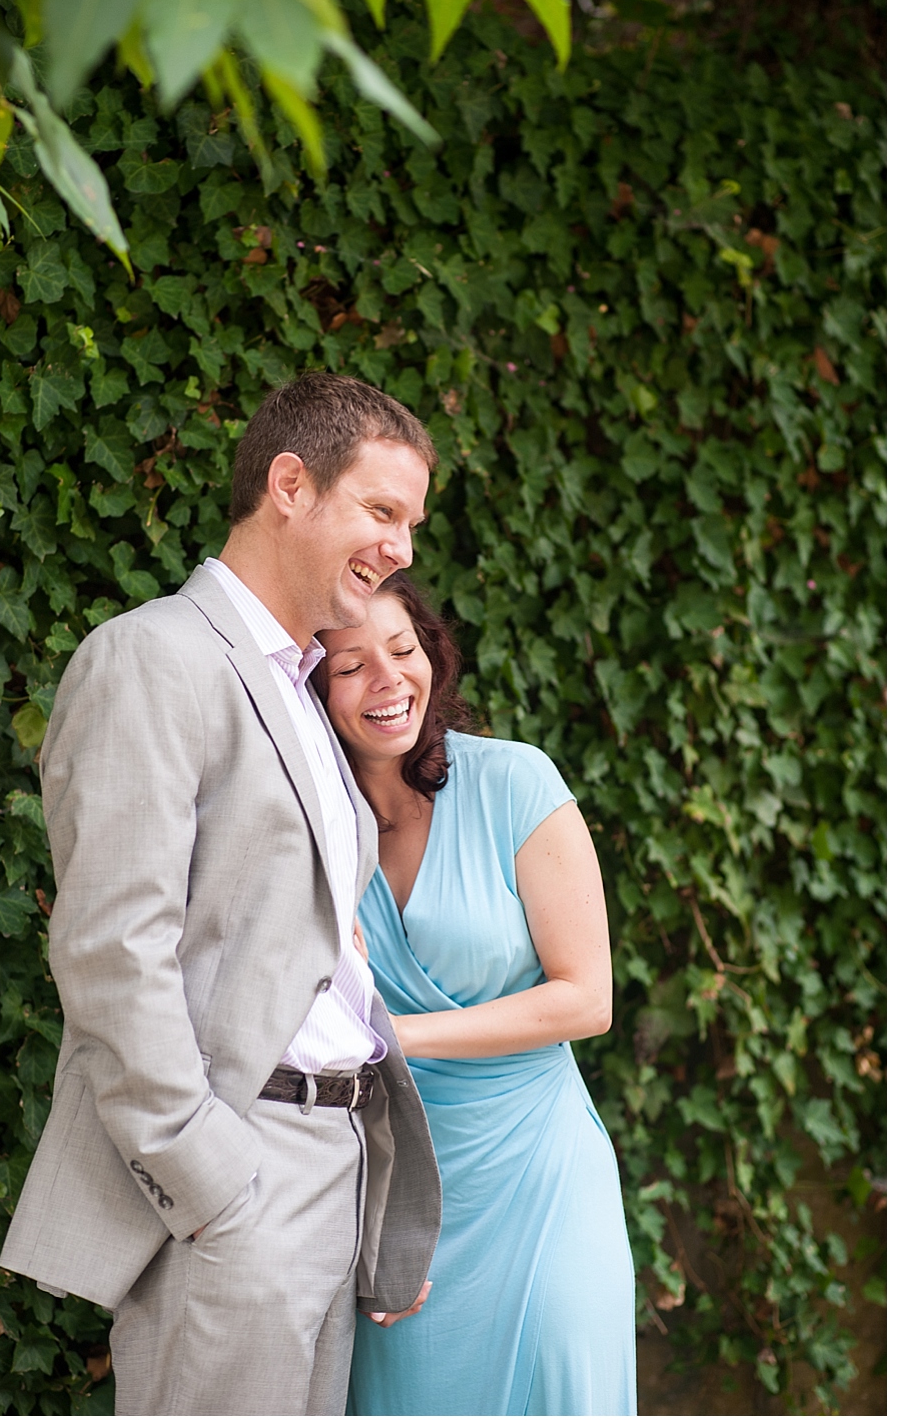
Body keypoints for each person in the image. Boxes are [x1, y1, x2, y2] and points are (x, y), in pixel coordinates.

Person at [0, 375, 442, 1416]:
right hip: (238, 1176)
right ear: (290, 484)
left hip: (331, 1169)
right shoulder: (152, 658)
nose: (402, 550)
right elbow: (112, 951)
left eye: (412, 524)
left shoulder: (297, 688)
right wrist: (209, 1181)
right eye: (381, 511)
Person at [314, 571, 637, 1416]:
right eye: (350, 666)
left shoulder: (515, 782)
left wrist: (396, 1035)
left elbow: (586, 999)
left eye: (402, 648)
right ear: (310, 690)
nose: (388, 680)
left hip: (542, 1175)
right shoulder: (310, 830)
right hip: (396, 1189)